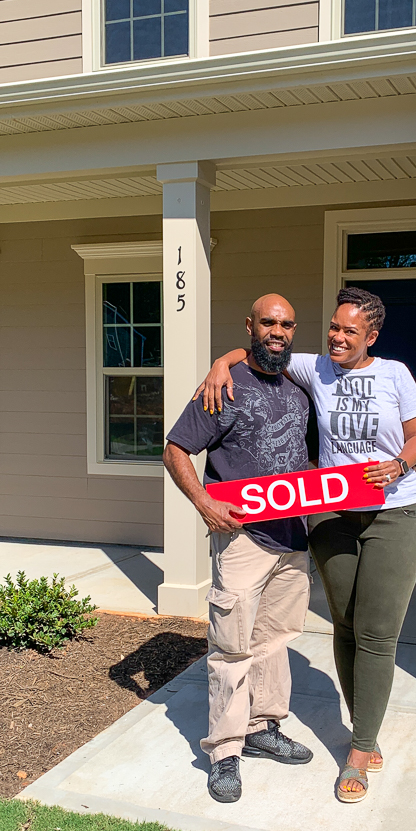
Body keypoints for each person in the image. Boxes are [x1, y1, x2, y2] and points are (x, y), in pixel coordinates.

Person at [199, 287, 416, 804]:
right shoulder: (316, 367)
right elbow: (263, 344)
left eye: (350, 331)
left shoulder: (394, 374)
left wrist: (399, 464)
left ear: (371, 337)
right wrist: (221, 362)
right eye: (333, 326)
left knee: (376, 632)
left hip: (396, 511)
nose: (338, 337)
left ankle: (360, 747)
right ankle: (359, 725)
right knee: (345, 625)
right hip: (332, 515)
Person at [163, 293, 314, 804]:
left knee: (274, 639)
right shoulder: (223, 388)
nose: (278, 331)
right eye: (268, 322)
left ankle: (262, 727)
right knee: (232, 647)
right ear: (249, 325)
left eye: (286, 324)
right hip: (244, 538)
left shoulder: (298, 383)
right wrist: (204, 503)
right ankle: (224, 751)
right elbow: (175, 448)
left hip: (293, 537)